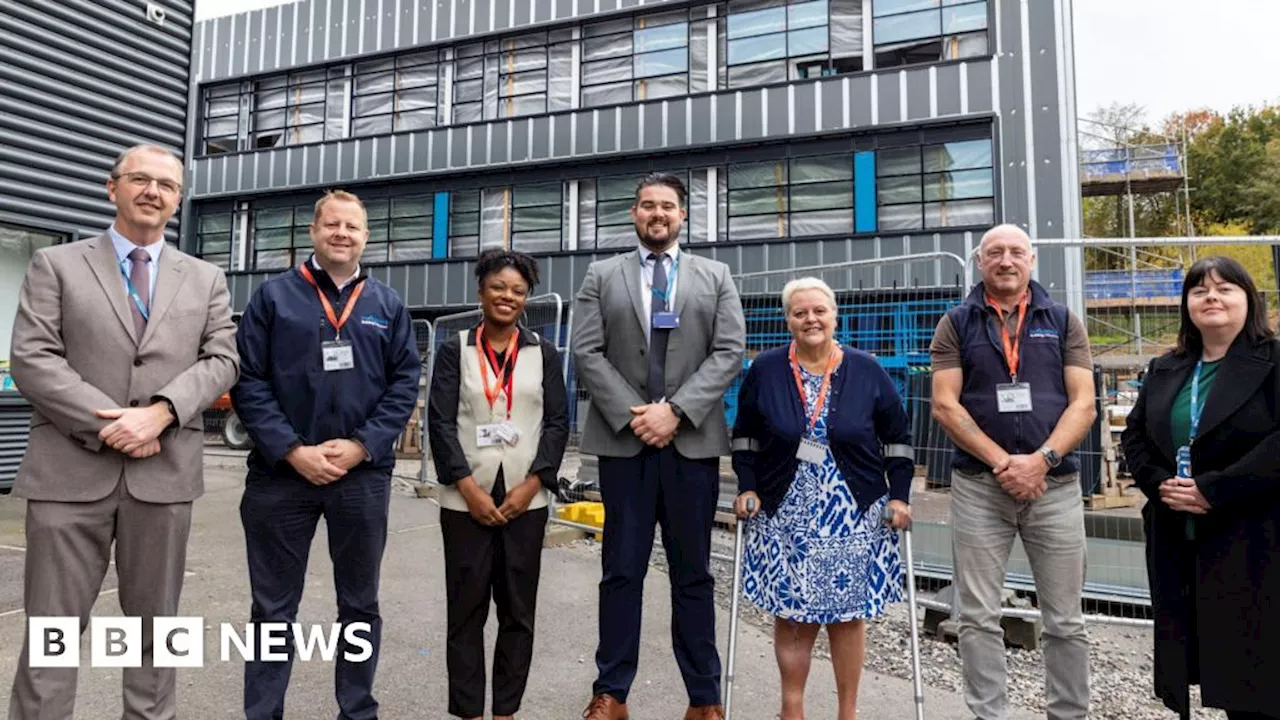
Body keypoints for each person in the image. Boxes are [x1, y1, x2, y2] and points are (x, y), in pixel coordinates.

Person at [7, 143, 240, 719]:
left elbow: (223, 360)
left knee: (156, 636)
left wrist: (161, 411)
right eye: (139, 179)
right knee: (51, 638)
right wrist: (112, 425)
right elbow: (33, 357)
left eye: (166, 185)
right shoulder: (57, 265)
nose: (152, 191)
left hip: (162, 478)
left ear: (178, 201)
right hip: (68, 474)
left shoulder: (206, 278)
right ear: (112, 188)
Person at [230, 189, 421, 720]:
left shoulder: (387, 305)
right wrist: (291, 450)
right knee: (271, 609)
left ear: (366, 237)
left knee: (360, 605)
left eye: (352, 227)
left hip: (360, 478)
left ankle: (356, 710)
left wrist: (363, 446)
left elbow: (405, 384)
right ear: (313, 232)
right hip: (280, 477)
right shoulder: (273, 298)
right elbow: (249, 381)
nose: (342, 234)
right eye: (332, 224)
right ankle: (263, 712)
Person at [572, 172, 746, 720]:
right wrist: (638, 417)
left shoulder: (714, 276)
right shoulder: (602, 275)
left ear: (683, 216)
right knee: (621, 571)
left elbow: (729, 350)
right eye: (647, 205)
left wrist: (676, 411)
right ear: (634, 213)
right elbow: (587, 352)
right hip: (626, 447)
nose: (657, 214)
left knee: (693, 572)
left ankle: (704, 698)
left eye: (667, 206)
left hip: (691, 445)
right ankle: (612, 693)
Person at [929, 223, 1096, 720]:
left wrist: (1041, 460)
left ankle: (1068, 714)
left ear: (1032, 259)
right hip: (981, 488)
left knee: (1065, 619)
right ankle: (990, 715)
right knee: (977, 616)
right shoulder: (955, 323)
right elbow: (944, 405)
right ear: (980, 261)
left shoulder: (1064, 321)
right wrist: (1005, 463)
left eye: (1016, 252)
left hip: (1055, 487)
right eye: (995, 252)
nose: (1006, 260)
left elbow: (1084, 404)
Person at [730, 277, 913, 720]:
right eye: (799, 312)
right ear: (787, 320)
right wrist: (747, 486)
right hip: (785, 508)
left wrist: (901, 496)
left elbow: (899, 440)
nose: (810, 319)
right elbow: (745, 437)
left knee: (848, 616)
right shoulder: (766, 369)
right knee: (792, 614)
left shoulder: (867, 369)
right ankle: (792, 707)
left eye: (819, 311)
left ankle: (846, 712)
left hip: (852, 511)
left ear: (835, 316)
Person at [1120, 256, 1280, 720]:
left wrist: (1215, 489)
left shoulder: (1272, 361)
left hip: (1254, 536)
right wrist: (1159, 484)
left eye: (1225, 288)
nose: (1211, 297)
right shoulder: (1167, 367)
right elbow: (1134, 435)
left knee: (1257, 671)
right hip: (1181, 535)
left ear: (1249, 300)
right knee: (1211, 661)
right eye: (1199, 290)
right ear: (1187, 304)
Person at [426, 248, 569, 720]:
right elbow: (440, 422)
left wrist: (533, 485)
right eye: (498, 287)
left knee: (517, 614)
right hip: (465, 500)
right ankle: (468, 712)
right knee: (465, 613)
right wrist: (467, 488)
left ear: (526, 298)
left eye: (517, 290)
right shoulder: (455, 349)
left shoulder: (542, 351)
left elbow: (556, 423)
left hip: (525, 503)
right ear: (481, 291)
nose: (507, 297)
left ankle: (506, 711)